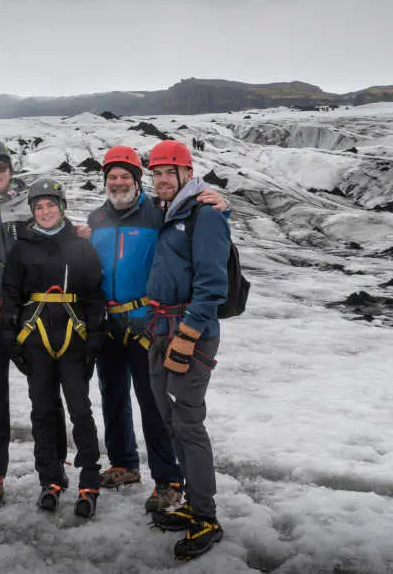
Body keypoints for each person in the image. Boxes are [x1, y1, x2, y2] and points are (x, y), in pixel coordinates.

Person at [86, 145, 227, 514]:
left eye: (125, 177)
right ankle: (124, 464)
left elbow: (200, 226)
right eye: (111, 177)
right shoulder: (96, 218)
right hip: (108, 321)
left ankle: (168, 479)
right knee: (112, 396)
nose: (117, 183)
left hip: (148, 322)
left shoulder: (157, 214)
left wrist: (223, 204)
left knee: (154, 403)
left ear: (137, 181)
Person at [0, 139, 67, 502]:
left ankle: (52, 471)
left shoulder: (31, 204)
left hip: (30, 310)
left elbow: (58, 227)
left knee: (44, 391)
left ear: (10, 168)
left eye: (0, 167)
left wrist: (83, 231)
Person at [143, 140, 230, 560]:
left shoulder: (205, 214)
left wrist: (189, 332)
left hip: (189, 335)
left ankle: (206, 516)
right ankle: (193, 505)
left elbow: (213, 284)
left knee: (189, 423)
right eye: (155, 173)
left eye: (167, 173)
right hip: (161, 330)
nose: (160, 180)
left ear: (186, 172)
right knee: (170, 419)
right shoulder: (168, 210)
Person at [1, 178, 106, 517]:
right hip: (35, 338)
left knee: (80, 410)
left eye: (51, 205)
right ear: (33, 211)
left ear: (62, 207)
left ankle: (89, 479)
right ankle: (51, 479)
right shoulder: (21, 248)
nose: (45, 212)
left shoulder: (80, 246)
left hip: (74, 338)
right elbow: (11, 294)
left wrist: (95, 335)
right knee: (43, 410)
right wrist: (8, 334)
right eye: (39, 207)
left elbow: (93, 293)